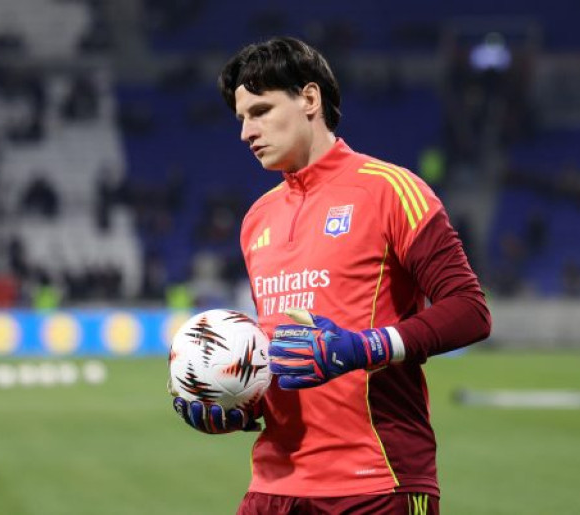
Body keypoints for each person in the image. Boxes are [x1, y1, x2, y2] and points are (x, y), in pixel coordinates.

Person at [172, 37, 491, 514]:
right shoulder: (257, 219)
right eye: (241, 118)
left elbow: (469, 310)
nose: (246, 132)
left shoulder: (391, 191)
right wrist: (241, 400)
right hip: (274, 485)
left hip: (376, 482)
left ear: (309, 98)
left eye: (260, 111)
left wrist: (364, 348)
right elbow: (287, 351)